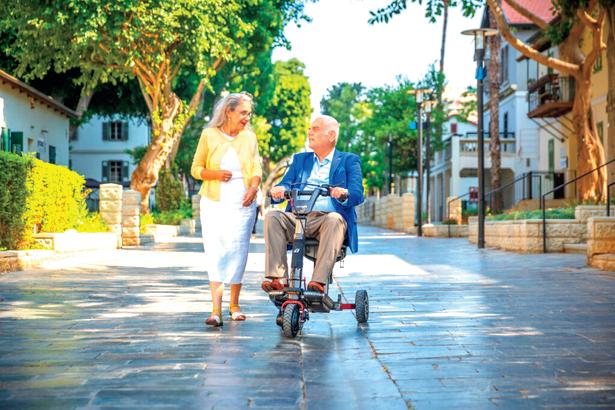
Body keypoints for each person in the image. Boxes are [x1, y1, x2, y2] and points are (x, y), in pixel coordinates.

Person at [261, 115, 364, 293]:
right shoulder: (300, 160)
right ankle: (279, 278)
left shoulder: (348, 160)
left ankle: (318, 281)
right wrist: (280, 190)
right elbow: (286, 184)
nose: (309, 132)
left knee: (334, 219)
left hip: (327, 220)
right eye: (309, 129)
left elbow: (357, 194)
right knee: (273, 216)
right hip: (298, 217)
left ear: (331, 135)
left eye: (315, 129)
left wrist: (343, 194)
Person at [191, 92, 262, 327]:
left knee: (238, 251)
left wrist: (253, 188)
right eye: (243, 113)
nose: (246, 117)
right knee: (216, 252)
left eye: (249, 113)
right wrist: (215, 174)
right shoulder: (209, 135)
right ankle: (215, 311)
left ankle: (234, 306)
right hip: (214, 203)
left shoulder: (249, 138)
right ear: (228, 112)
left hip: (243, 204)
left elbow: (256, 167)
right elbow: (195, 168)